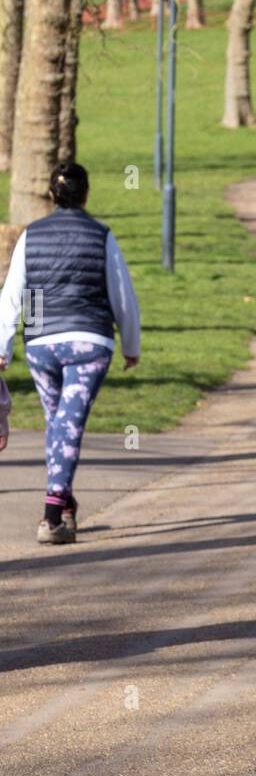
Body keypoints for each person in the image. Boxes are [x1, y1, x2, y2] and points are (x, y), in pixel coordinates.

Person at [0, 161, 141, 544]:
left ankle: (63, 503)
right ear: (87, 195)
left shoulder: (33, 235)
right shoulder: (101, 236)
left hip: (41, 342)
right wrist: (131, 345)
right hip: (89, 342)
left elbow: (17, 294)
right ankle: (52, 515)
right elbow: (122, 295)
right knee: (68, 424)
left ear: (51, 195)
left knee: (58, 423)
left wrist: (5, 346)